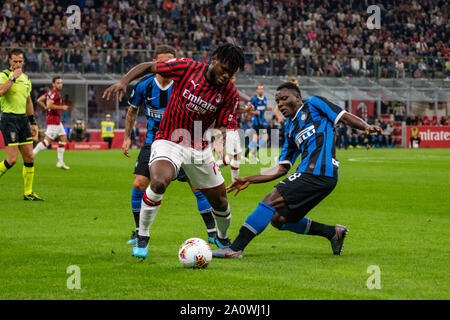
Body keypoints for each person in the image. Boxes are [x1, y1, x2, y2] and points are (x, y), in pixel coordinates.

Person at [103, 43, 245, 259]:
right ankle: (143, 235)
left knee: (221, 201)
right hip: (168, 139)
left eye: (231, 73)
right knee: (159, 181)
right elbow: (149, 67)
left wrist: (224, 134)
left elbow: (225, 123)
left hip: (199, 148)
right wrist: (124, 82)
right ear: (214, 60)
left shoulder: (229, 93)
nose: (226, 76)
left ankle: (223, 240)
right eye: (223, 69)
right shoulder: (187, 67)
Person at [213, 82, 383, 259]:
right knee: (278, 219)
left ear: (298, 97)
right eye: (277, 101)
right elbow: (281, 168)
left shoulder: (314, 104)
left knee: (270, 200)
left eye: (284, 99)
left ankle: (235, 248)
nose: (280, 104)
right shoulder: (290, 130)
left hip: (319, 172)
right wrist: (249, 179)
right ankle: (333, 233)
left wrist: (366, 127)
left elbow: (343, 116)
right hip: (316, 177)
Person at [121, 45, 221, 247]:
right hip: (153, 141)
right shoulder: (145, 85)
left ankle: (213, 234)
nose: (166, 65)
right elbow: (132, 111)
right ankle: (139, 231)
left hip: (183, 142)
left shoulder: (185, 84)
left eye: (170, 61)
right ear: (155, 62)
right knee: (139, 183)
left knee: (198, 188)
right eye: (162, 61)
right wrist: (126, 137)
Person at [0, 48, 44, 201]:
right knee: (12, 160)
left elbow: (28, 101)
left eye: (20, 61)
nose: (17, 64)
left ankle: (28, 193)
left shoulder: (26, 78)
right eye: (15, 61)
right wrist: (12, 78)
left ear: (23, 61)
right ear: (9, 61)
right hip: (9, 119)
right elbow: (0, 91)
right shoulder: (4, 75)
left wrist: (32, 121)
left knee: (30, 157)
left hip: (23, 120)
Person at [215, 75, 253, 181]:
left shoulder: (234, 91)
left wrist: (246, 109)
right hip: (226, 127)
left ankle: (234, 181)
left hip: (234, 127)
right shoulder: (222, 91)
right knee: (232, 156)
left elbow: (235, 109)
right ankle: (212, 169)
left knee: (237, 155)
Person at [33, 76, 70, 170]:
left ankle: (60, 162)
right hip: (54, 120)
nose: (60, 84)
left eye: (61, 83)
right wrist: (62, 107)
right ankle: (31, 155)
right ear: (53, 84)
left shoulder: (50, 93)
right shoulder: (55, 94)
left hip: (56, 120)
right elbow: (50, 105)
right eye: (58, 83)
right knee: (46, 142)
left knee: (63, 138)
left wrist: (45, 107)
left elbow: (39, 100)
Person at [244, 84, 272, 162]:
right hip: (256, 122)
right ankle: (252, 154)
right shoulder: (254, 99)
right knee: (265, 137)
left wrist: (267, 108)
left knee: (256, 139)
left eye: (262, 89)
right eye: (259, 89)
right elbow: (247, 108)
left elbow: (263, 108)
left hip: (261, 121)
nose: (261, 90)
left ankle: (247, 155)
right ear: (257, 90)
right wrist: (254, 112)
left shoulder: (265, 99)